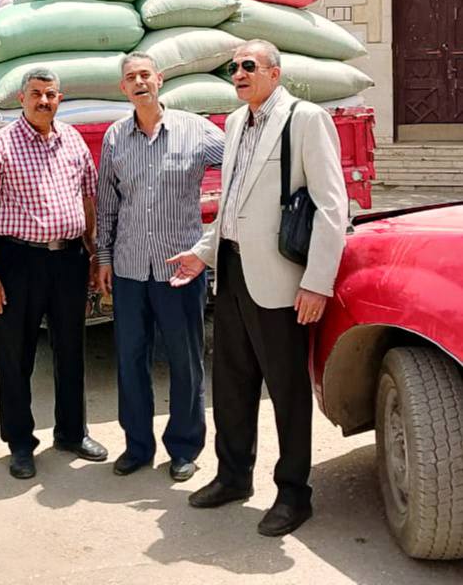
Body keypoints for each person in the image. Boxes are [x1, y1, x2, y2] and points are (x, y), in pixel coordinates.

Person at [168, 40, 348, 538]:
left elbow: (332, 206)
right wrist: (203, 252)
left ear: (274, 72)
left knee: (287, 391)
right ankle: (232, 477)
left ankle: (293, 493)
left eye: (249, 65)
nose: (239, 73)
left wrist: (317, 282)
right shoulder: (233, 123)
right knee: (231, 383)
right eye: (234, 67)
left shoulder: (304, 119)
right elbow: (231, 204)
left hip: (282, 279)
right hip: (232, 270)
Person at [0, 68, 107, 479]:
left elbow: (88, 198)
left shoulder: (73, 140)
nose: (43, 101)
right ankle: (21, 444)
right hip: (18, 261)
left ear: (60, 98)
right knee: (16, 355)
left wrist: (93, 253)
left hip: (68, 260)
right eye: (36, 94)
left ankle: (72, 433)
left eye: (50, 94)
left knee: (71, 350)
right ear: (21, 99)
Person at [95, 53, 224, 482]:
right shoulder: (115, 137)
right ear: (123, 88)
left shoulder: (195, 129)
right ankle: (137, 446)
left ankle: (184, 448)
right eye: (131, 77)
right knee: (131, 360)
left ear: (160, 79)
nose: (139, 82)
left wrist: (212, 240)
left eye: (145, 75)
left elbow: (241, 165)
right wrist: (104, 257)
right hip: (130, 268)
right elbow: (107, 203)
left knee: (186, 360)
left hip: (180, 268)